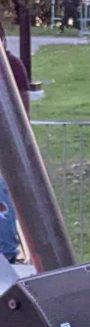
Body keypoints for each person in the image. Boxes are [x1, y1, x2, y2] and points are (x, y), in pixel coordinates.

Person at [0, 21, 30, 263]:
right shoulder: (13, 64)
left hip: (5, 143)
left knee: (2, 196)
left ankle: (7, 251)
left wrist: (20, 134)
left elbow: (22, 103)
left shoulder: (10, 65)